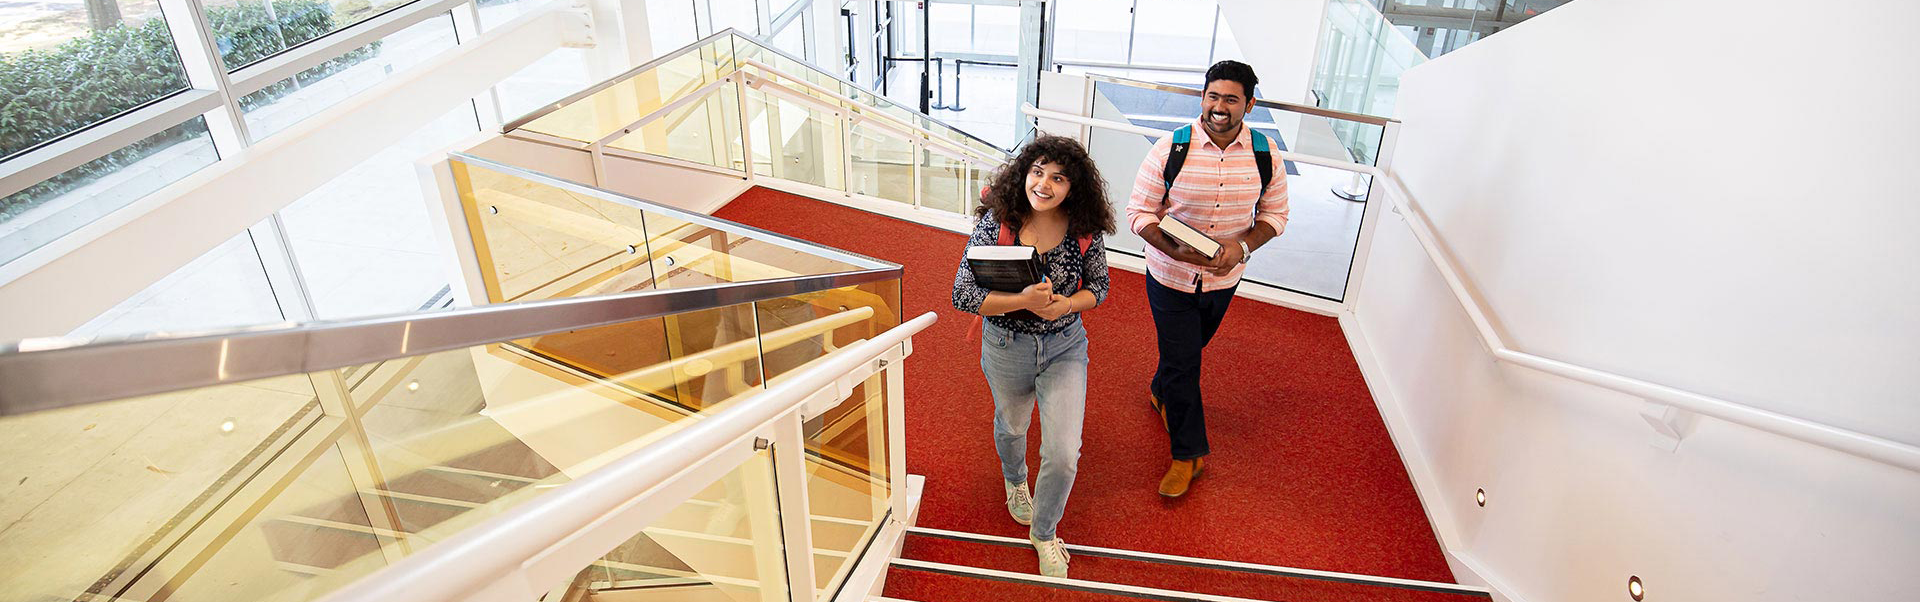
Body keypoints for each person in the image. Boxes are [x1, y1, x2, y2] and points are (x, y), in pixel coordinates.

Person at [1124, 60, 1290, 498]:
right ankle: (1187, 455)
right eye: (1213, 96)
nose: (1219, 107)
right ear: (1203, 98)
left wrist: (1243, 248)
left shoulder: (1264, 154)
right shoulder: (1169, 149)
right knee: (1185, 363)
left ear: (1249, 105)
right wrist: (1172, 248)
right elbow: (1138, 213)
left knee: (1186, 356)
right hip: (1169, 277)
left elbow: (1275, 216)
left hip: (1224, 281)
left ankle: (1161, 390)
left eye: (1231, 99)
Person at [952, 135, 1114, 578]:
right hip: (1006, 346)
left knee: (1064, 452)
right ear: (1023, 173)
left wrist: (1065, 304)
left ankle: (1044, 532)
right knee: (1013, 425)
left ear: (1072, 187)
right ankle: (1015, 479)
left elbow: (1098, 287)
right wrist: (1021, 299)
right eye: (1037, 172)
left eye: (1058, 178)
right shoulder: (997, 223)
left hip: (1065, 346)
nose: (1044, 184)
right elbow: (963, 294)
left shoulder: (1083, 230)